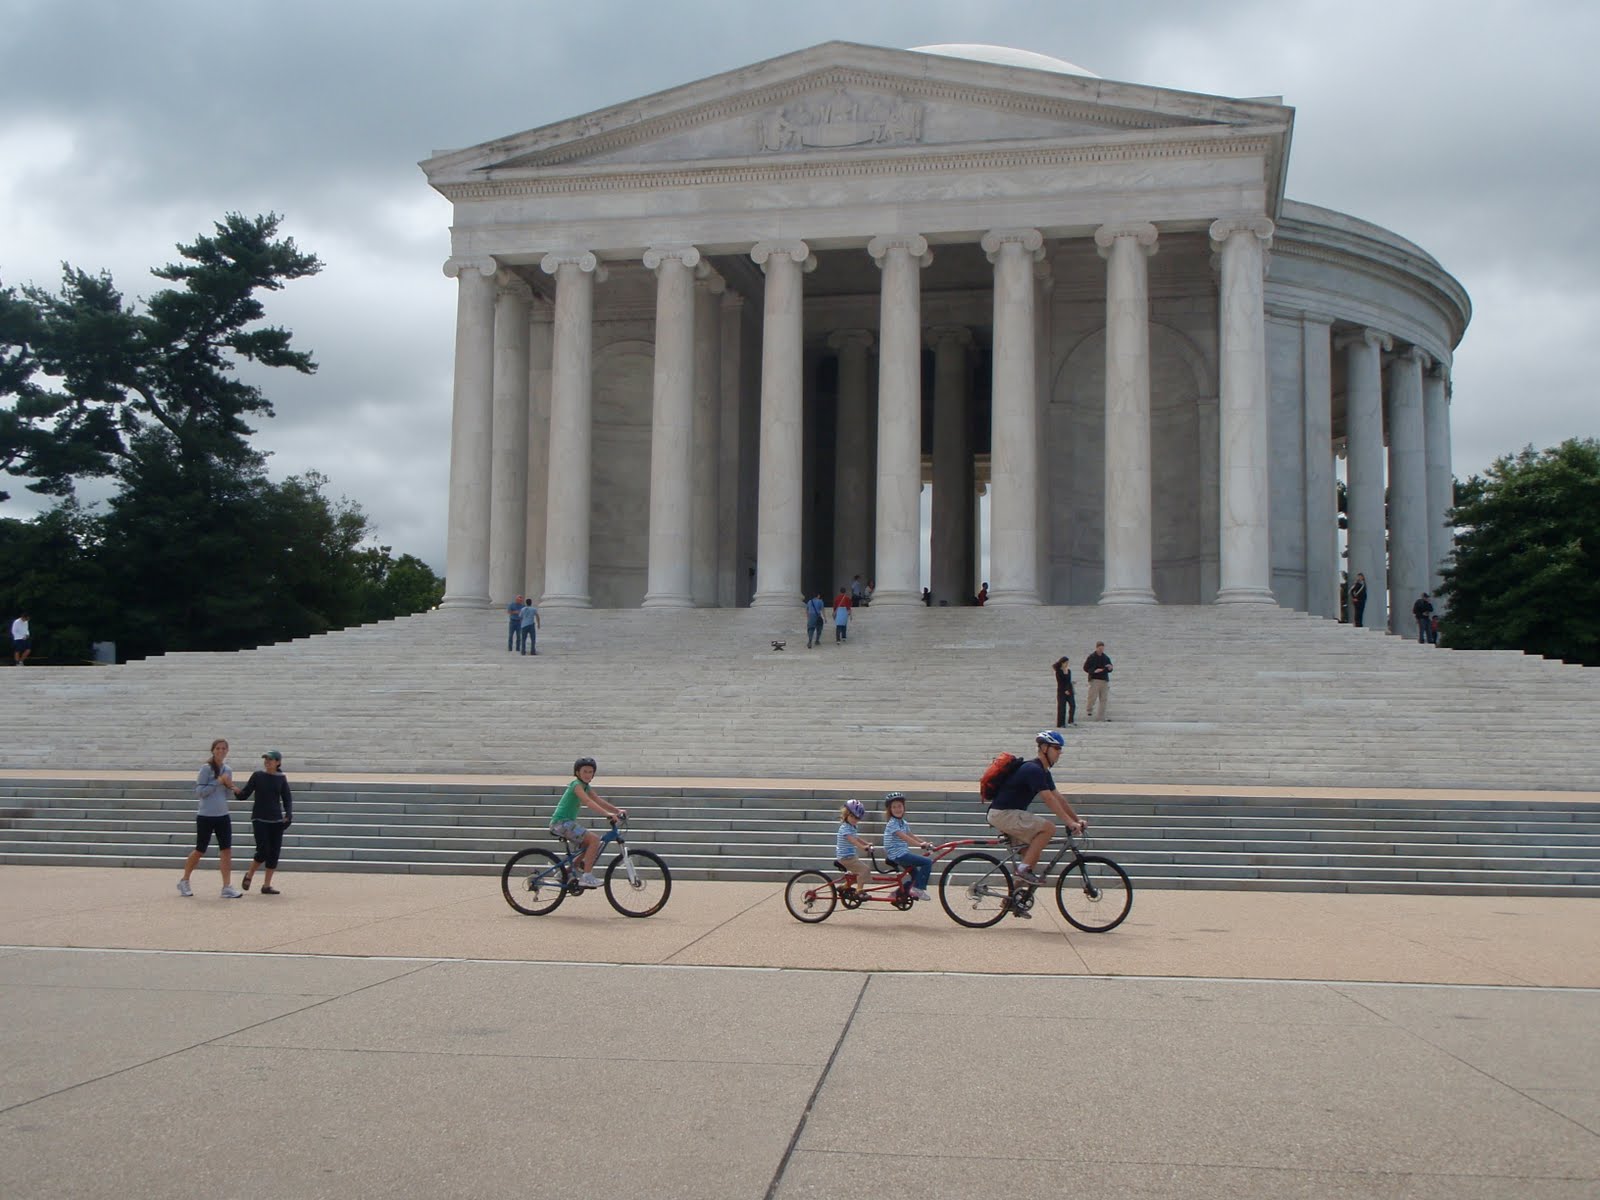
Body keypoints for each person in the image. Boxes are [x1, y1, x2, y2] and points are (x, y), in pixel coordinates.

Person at [986, 731, 1087, 904]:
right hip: (1003, 813)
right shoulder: (1033, 769)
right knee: (1048, 828)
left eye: (1060, 749)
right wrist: (1069, 822)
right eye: (1056, 748)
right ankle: (1022, 871)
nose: (1060, 752)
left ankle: (1011, 900)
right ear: (1044, 748)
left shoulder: (1043, 772)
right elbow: (1048, 798)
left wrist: (1077, 819)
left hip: (1009, 814)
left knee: (1031, 857)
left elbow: (1058, 797)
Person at [178, 738, 243, 899]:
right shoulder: (206, 768)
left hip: (223, 815)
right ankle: (184, 880)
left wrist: (231, 787)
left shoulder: (228, 769)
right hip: (206, 815)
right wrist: (217, 781)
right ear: (213, 750)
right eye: (218, 748)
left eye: (224, 748)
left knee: (226, 850)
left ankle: (226, 886)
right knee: (200, 849)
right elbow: (200, 792)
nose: (221, 751)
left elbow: (226, 794)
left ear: (227, 751)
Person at [550, 756, 627, 889]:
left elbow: (597, 800)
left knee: (589, 845)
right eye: (584, 771)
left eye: (590, 772)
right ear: (577, 772)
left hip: (566, 823)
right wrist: (607, 814)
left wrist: (617, 811)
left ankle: (564, 873)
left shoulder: (586, 786)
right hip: (561, 823)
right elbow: (588, 801)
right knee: (594, 840)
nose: (587, 774)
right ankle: (587, 876)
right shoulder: (576, 785)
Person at [237, 750, 293, 895]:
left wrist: (288, 815)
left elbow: (287, 798)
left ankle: (266, 885)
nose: (267, 761)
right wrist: (235, 790)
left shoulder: (281, 778)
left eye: (270, 759)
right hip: (260, 818)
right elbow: (244, 794)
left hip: (276, 820)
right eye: (266, 759)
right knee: (263, 851)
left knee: (274, 853)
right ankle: (249, 874)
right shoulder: (258, 776)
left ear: (278, 762)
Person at [881, 792, 934, 900]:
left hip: (902, 853)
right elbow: (904, 837)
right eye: (894, 807)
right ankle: (918, 889)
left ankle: (896, 894)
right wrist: (920, 845)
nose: (897, 809)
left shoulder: (903, 822)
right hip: (898, 855)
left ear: (904, 807)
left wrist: (925, 843)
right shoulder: (892, 823)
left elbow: (911, 835)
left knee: (916, 875)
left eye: (899, 806)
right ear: (890, 810)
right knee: (927, 862)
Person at [834, 798, 872, 898]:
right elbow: (853, 840)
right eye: (852, 816)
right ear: (846, 814)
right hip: (845, 858)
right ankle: (859, 892)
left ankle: (844, 887)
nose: (854, 820)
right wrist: (863, 847)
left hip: (850, 856)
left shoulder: (852, 826)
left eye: (857, 818)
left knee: (855, 875)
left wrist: (866, 843)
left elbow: (856, 838)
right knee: (864, 870)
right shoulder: (845, 828)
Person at [1084, 641, 1113, 721]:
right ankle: (1089, 710)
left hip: (1104, 680)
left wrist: (1110, 668)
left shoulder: (1106, 657)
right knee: (1092, 696)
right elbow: (1085, 668)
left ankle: (1101, 715)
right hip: (1095, 679)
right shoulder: (1091, 657)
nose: (1101, 650)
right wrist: (1094, 671)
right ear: (1096, 648)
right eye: (1100, 649)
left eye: (1102, 649)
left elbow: (1110, 668)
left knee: (1104, 699)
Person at [1052, 656, 1077, 727]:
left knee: (1073, 705)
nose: (1066, 664)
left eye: (1067, 663)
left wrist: (1071, 686)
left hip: (1069, 690)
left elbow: (1068, 681)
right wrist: (1065, 690)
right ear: (1062, 663)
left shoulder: (1069, 671)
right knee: (1062, 708)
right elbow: (1060, 682)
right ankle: (1061, 723)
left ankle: (1071, 721)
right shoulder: (1058, 672)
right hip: (1061, 691)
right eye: (1065, 663)